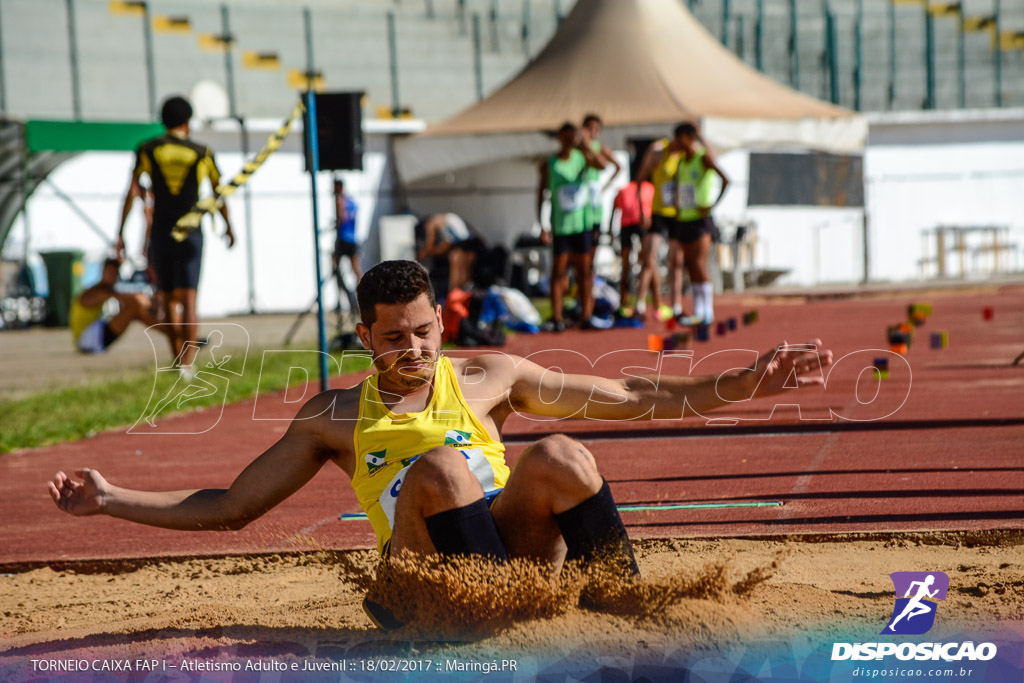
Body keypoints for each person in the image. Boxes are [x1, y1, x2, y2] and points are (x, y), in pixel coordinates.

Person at [49, 260, 833, 629]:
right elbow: (230, 507)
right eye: (395, 338)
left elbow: (632, 396)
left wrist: (746, 383)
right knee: (441, 466)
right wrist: (112, 497)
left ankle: (624, 607)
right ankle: (495, 642)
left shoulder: (491, 375)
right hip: (421, 580)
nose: (415, 350)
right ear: (364, 336)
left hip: (511, 551)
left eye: (425, 332)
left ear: (441, 324)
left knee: (560, 452)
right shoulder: (333, 415)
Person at [116, 95, 235, 378]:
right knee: (190, 299)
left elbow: (133, 192)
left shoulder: (148, 148)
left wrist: (120, 232)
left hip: (162, 232)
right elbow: (218, 193)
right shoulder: (201, 151)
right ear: (187, 122)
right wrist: (229, 227)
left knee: (168, 298)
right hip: (191, 232)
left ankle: (176, 359)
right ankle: (188, 363)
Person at [538, 122, 607, 332]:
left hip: (582, 225)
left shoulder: (582, 158)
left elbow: (602, 165)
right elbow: (541, 194)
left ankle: (586, 315)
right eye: (565, 136)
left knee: (584, 271)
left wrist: (585, 143)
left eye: (572, 136)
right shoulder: (550, 164)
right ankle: (558, 317)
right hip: (560, 227)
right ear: (559, 137)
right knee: (558, 272)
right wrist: (543, 224)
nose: (569, 140)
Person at [671, 122, 729, 325]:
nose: (675, 142)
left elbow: (725, 179)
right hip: (684, 219)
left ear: (688, 137)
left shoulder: (702, 157)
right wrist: (678, 207)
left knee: (698, 262)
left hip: (701, 221)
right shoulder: (681, 162)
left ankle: (708, 311)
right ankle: (698, 310)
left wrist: (712, 205)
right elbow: (680, 188)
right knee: (690, 266)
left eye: (678, 138)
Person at [634, 131, 684, 322]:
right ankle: (639, 304)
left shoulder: (686, 155)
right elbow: (640, 180)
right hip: (657, 213)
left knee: (676, 261)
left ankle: (676, 306)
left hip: (678, 215)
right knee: (648, 257)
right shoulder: (657, 152)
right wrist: (642, 210)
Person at [69, 257, 161, 354]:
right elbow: (131, 299)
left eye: (115, 274)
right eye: (111, 273)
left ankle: (166, 328)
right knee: (134, 308)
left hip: (90, 336)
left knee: (135, 308)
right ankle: (167, 329)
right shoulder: (97, 291)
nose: (113, 277)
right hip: (87, 340)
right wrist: (149, 303)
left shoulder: (101, 289)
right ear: (103, 272)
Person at [612, 179, 655, 316]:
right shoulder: (648, 188)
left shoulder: (625, 189)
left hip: (629, 226)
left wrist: (610, 228)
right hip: (637, 225)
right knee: (648, 262)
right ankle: (641, 303)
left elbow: (615, 207)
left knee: (630, 265)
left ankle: (626, 303)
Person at [580, 114, 622, 254]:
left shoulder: (599, 148)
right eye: (589, 128)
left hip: (593, 201)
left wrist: (605, 187)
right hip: (580, 200)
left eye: (596, 129)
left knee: (593, 242)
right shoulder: (578, 148)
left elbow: (613, 166)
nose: (593, 132)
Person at [416, 212, 484, 295]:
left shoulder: (431, 223)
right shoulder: (445, 219)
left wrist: (425, 253)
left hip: (463, 243)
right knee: (465, 275)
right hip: (473, 243)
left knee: (455, 271)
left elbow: (430, 245)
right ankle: (461, 296)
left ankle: (453, 297)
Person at [332, 179, 362, 318]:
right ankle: (361, 296)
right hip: (353, 239)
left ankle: (341, 300)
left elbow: (341, 217)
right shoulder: (352, 201)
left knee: (335, 268)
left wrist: (334, 224)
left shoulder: (340, 199)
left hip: (343, 238)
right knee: (356, 270)